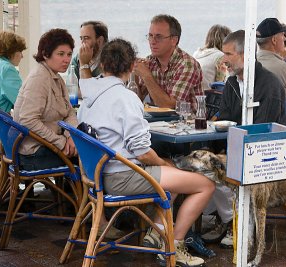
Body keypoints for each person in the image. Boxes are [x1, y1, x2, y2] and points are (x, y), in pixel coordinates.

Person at [77, 38, 215, 267]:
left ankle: (158, 232)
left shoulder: (88, 95)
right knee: (204, 185)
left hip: (97, 175)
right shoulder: (125, 98)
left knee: (174, 171)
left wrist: (164, 164)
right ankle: (174, 246)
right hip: (121, 177)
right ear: (132, 67)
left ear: (102, 65)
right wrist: (163, 164)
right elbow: (142, 153)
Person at [201, 30, 286, 248]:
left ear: (245, 55)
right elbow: (225, 118)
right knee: (202, 165)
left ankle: (235, 223)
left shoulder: (269, 84)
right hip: (238, 145)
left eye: (229, 54)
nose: (224, 60)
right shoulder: (232, 83)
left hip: (266, 154)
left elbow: (262, 130)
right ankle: (230, 219)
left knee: (214, 167)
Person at [13, 28, 78, 170]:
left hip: (47, 145)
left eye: (69, 54)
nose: (66, 59)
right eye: (60, 54)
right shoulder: (39, 78)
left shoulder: (56, 77)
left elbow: (70, 112)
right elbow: (28, 120)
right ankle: (83, 192)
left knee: (86, 149)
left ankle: (70, 191)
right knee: (92, 156)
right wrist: (60, 142)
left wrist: (71, 136)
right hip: (32, 153)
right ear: (45, 54)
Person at [134, 14, 203, 109]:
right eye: (150, 36)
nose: (152, 41)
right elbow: (137, 100)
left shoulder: (187, 64)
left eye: (158, 37)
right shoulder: (151, 61)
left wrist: (146, 75)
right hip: (160, 122)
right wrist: (135, 74)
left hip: (188, 122)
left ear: (174, 40)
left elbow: (170, 106)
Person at [0, 31, 26, 113]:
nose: (22, 56)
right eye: (20, 51)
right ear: (11, 51)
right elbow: (23, 103)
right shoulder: (6, 69)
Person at [193, 24, 231, 91]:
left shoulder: (196, 54)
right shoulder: (220, 56)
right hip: (209, 97)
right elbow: (220, 84)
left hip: (195, 95)